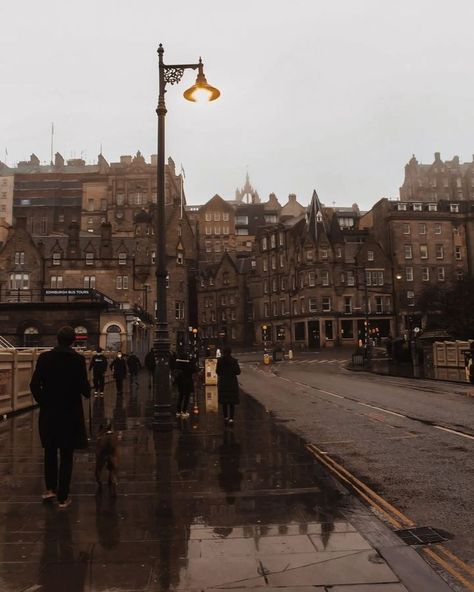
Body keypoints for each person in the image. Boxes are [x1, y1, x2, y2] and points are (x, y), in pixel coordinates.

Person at [30, 326, 91, 508]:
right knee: (66, 454)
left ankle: (50, 489)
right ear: (73, 340)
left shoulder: (44, 358)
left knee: (49, 451)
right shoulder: (78, 360)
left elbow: (34, 384)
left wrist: (44, 402)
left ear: (57, 339)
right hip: (70, 414)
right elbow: (85, 390)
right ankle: (63, 497)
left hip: (49, 413)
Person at [216, 347, 241, 426]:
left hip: (223, 382)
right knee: (232, 402)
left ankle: (225, 416)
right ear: (230, 352)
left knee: (224, 401)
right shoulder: (234, 361)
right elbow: (238, 372)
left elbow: (217, 371)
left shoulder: (220, 361)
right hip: (232, 382)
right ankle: (231, 418)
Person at [175, 353, 198, 418]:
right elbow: (194, 370)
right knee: (186, 397)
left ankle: (178, 411)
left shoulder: (178, 364)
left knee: (181, 396)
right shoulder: (188, 364)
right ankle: (184, 411)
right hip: (187, 382)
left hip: (180, 382)